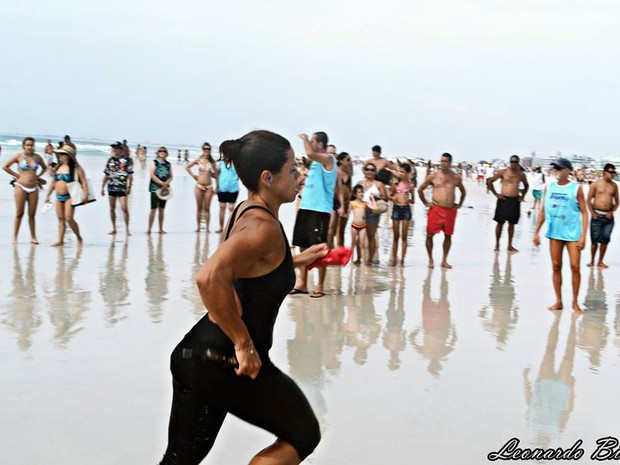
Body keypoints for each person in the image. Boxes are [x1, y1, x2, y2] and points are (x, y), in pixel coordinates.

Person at [158, 130, 325, 465]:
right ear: (268, 177)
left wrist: (292, 262)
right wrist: (243, 344)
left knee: (180, 461)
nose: (299, 176)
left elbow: (245, 272)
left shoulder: (247, 210)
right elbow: (209, 278)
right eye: (293, 169)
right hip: (226, 361)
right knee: (303, 433)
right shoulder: (261, 227)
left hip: (201, 357)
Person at [533, 158, 588, 312]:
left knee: (575, 267)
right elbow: (543, 211)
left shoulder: (576, 188)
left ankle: (575, 302)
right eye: (554, 168)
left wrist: (583, 236)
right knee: (556, 266)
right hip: (555, 233)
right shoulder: (549, 187)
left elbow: (584, 213)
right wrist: (536, 232)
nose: (555, 170)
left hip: (572, 234)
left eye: (558, 168)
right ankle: (558, 301)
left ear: (567, 170)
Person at [291, 132, 337, 298]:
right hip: (306, 207)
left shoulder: (329, 158)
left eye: (312, 141)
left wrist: (304, 139)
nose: (309, 143)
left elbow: (310, 153)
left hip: (320, 210)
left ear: (320, 144)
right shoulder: (314, 164)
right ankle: (302, 283)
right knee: (302, 246)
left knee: (319, 249)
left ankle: (320, 285)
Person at [417, 153, 466, 269]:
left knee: (448, 235)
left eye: (445, 161)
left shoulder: (455, 177)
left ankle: (444, 260)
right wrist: (426, 203)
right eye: (441, 161)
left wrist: (459, 204)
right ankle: (430, 259)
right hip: (436, 209)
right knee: (430, 234)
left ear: (450, 163)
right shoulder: (434, 176)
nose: (442, 163)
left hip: (450, 210)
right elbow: (420, 189)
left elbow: (463, 191)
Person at [2, 136, 48, 244]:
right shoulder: (19, 156)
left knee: (32, 214)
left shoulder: (37, 157)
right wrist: (17, 175)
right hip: (20, 186)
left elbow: (45, 168)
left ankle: (33, 237)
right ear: (24, 146)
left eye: (31, 145)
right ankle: (15, 237)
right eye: (27, 145)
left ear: (34, 146)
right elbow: (5, 166)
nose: (29, 147)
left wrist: (38, 177)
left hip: (33, 188)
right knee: (19, 213)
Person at [44, 145, 88, 247]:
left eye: (63, 154)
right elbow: (53, 182)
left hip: (70, 196)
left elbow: (84, 182)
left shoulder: (77, 168)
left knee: (69, 218)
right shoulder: (58, 167)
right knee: (60, 219)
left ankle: (79, 237)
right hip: (58, 196)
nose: (60, 156)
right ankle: (60, 240)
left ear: (69, 156)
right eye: (59, 154)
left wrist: (85, 194)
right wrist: (48, 195)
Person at [486, 155, 529, 252]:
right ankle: (497, 244)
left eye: (515, 162)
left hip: (514, 200)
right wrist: (496, 194)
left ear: (518, 163)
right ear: (510, 162)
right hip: (503, 199)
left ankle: (510, 245)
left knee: (512, 224)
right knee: (500, 223)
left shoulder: (521, 174)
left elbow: (526, 185)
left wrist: (522, 196)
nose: (513, 163)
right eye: (512, 161)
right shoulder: (503, 172)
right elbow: (490, 181)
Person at [586, 163, 618, 268]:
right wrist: (593, 213)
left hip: (608, 218)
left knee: (605, 239)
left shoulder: (614, 186)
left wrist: (611, 212)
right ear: (605, 172)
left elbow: (617, 202)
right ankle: (592, 260)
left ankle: (600, 261)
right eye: (610, 172)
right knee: (594, 241)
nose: (612, 174)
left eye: (613, 172)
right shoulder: (595, 184)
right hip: (597, 216)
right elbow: (588, 200)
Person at [102, 141, 134, 236]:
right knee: (112, 208)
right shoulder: (110, 161)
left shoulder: (126, 161)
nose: (114, 150)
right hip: (111, 187)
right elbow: (106, 175)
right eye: (113, 148)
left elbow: (130, 175)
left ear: (121, 150)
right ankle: (114, 228)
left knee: (124, 208)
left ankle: (127, 229)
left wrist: (129, 186)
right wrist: (102, 187)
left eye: (116, 148)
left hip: (122, 187)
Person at [186, 143, 218, 232]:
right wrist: (193, 176)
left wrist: (217, 187)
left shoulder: (212, 162)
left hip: (209, 187)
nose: (206, 150)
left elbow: (216, 176)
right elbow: (187, 167)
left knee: (207, 208)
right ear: (202, 150)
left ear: (210, 150)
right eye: (204, 149)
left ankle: (207, 228)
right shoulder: (199, 160)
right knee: (199, 208)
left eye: (208, 149)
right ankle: (198, 228)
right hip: (199, 186)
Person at [389, 162, 415, 266]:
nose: (401, 173)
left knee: (404, 236)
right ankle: (394, 258)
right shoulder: (395, 184)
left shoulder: (411, 185)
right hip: (396, 208)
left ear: (408, 173)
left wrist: (410, 200)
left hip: (406, 209)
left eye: (403, 172)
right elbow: (390, 196)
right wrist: (393, 198)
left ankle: (402, 260)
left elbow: (413, 200)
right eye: (400, 171)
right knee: (396, 236)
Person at [148, 146, 173, 234]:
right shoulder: (154, 162)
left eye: (164, 151)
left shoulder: (168, 164)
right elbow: (152, 175)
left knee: (162, 209)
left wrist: (167, 183)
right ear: (158, 153)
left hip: (164, 190)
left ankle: (160, 229)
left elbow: (171, 176)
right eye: (160, 151)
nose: (162, 152)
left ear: (166, 153)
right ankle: (149, 229)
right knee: (153, 209)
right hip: (155, 188)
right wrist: (162, 183)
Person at [216, 149, 240, 234]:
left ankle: (230, 228)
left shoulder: (236, 163)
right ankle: (221, 227)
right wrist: (217, 186)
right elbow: (217, 174)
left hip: (233, 188)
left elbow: (239, 174)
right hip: (222, 188)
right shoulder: (221, 163)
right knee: (222, 207)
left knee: (231, 208)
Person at [334, 152, 353, 248]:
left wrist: (349, 204)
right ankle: (331, 251)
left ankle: (340, 251)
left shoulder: (348, 173)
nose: (350, 162)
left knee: (342, 229)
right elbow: (336, 189)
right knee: (333, 230)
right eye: (348, 160)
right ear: (341, 161)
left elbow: (350, 189)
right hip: (336, 202)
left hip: (346, 203)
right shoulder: (336, 172)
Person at [349, 184, 369, 265]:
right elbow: (348, 213)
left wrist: (372, 199)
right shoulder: (352, 203)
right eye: (359, 192)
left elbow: (374, 208)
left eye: (362, 192)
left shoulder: (365, 203)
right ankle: (351, 261)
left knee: (362, 244)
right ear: (355, 194)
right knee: (353, 243)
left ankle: (363, 262)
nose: (361, 194)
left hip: (363, 226)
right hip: (354, 225)